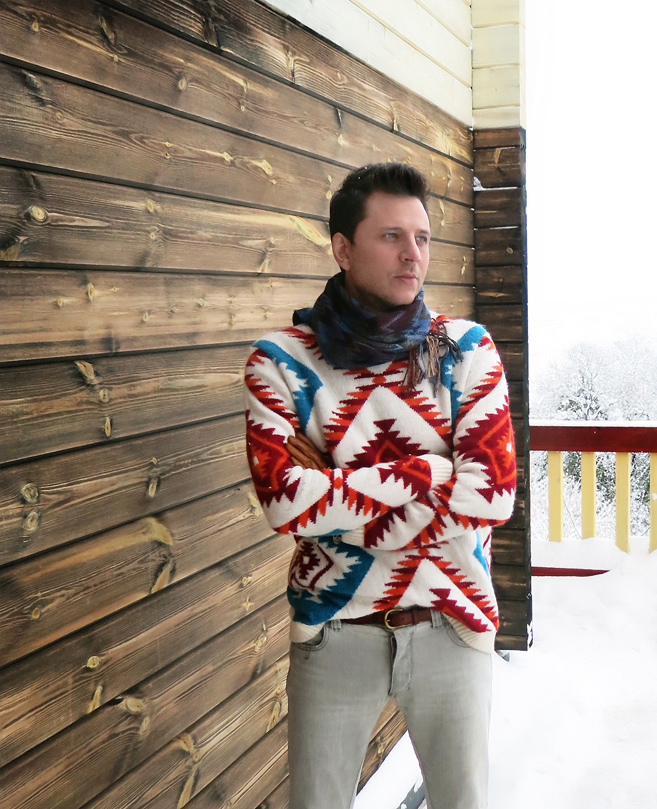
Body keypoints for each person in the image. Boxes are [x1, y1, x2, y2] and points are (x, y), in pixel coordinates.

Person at [243, 162, 516, 809]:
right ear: (343, 249)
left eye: (422, 237)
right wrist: (432, 471)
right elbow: (286, 504)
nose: (412, 254)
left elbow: (491, 494)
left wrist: (338, 487)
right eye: (391, 236)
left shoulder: (465, 350)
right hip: (334, 627)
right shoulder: (283, 362)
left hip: (451, 620)